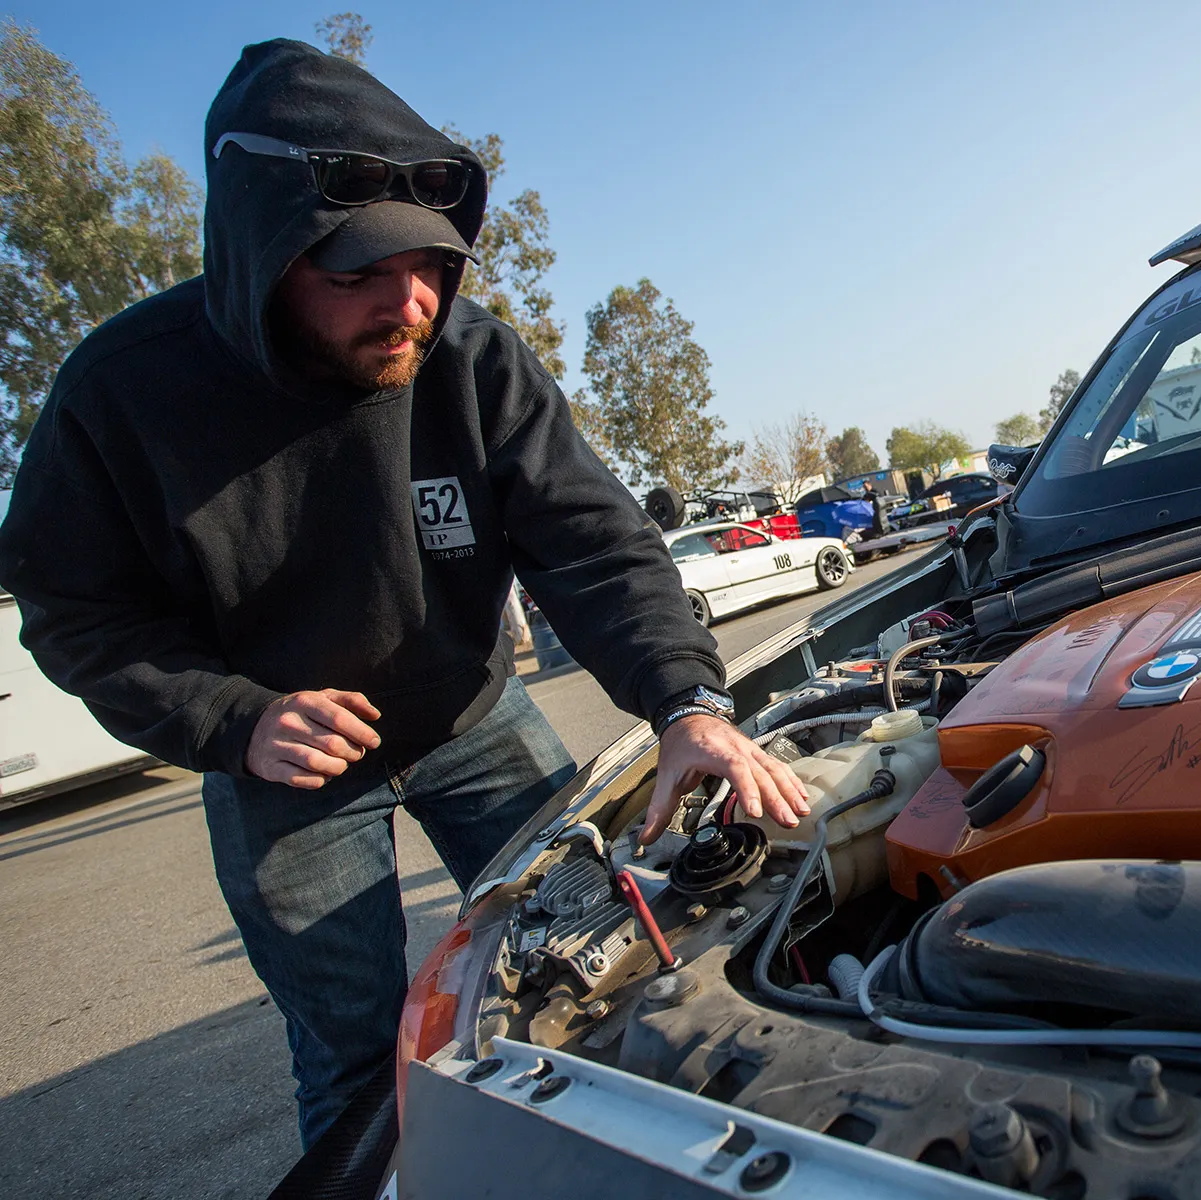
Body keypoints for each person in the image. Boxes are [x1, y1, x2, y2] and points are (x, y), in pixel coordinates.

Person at [0, 39, 808, 1149]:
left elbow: (592, 542)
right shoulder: (119, 393)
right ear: (261, 254)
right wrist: (231, 720)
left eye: (430, 265)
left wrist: (687, 705)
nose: (412, 303)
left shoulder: (471, 360)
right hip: (285, 766)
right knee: (359, 1059)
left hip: (473, 716)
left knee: (595, 965)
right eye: (359, 274)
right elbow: (73, 608)